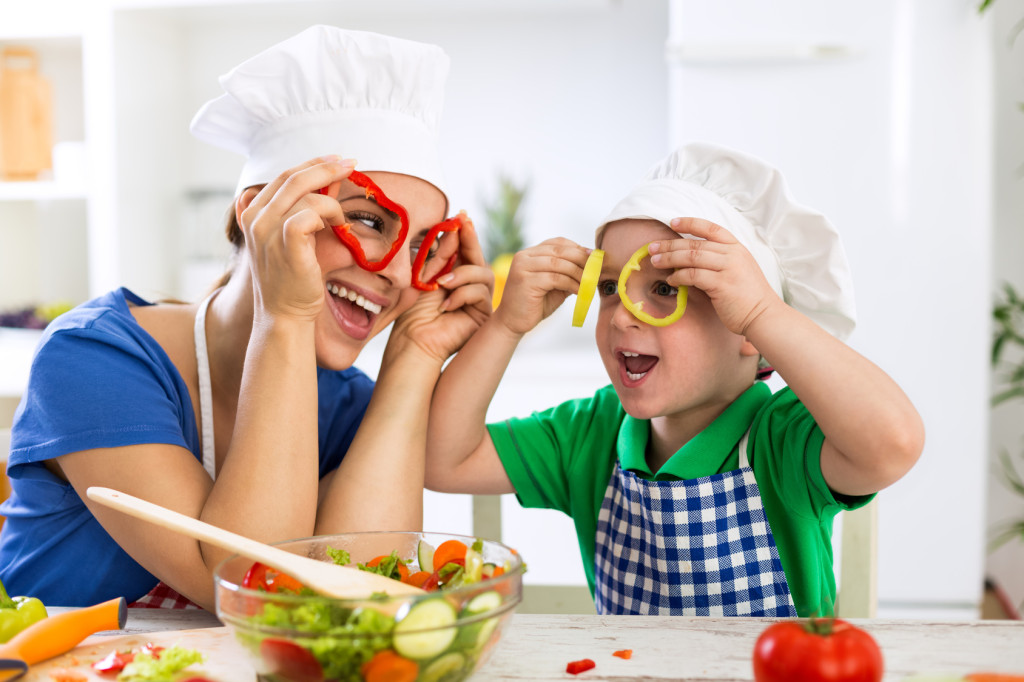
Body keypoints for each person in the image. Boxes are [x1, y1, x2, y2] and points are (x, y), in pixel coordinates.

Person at [0, 25, 492, 610]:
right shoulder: (92, 359)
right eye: (367, 220)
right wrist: (283, 315)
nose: (401, 276)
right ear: (258, 212)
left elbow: (359, 599)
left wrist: (418, 357)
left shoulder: (352, 406)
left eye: (421, 247)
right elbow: (246, 588)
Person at [424, 142, 924, 617]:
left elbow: (892, 443)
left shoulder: (784, 440)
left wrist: (764, 314)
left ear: (749, 329)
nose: (622, 316)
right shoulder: (591, 433)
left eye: (664, 287)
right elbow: (440, 460)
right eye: (609, 287)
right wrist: (505, 326)